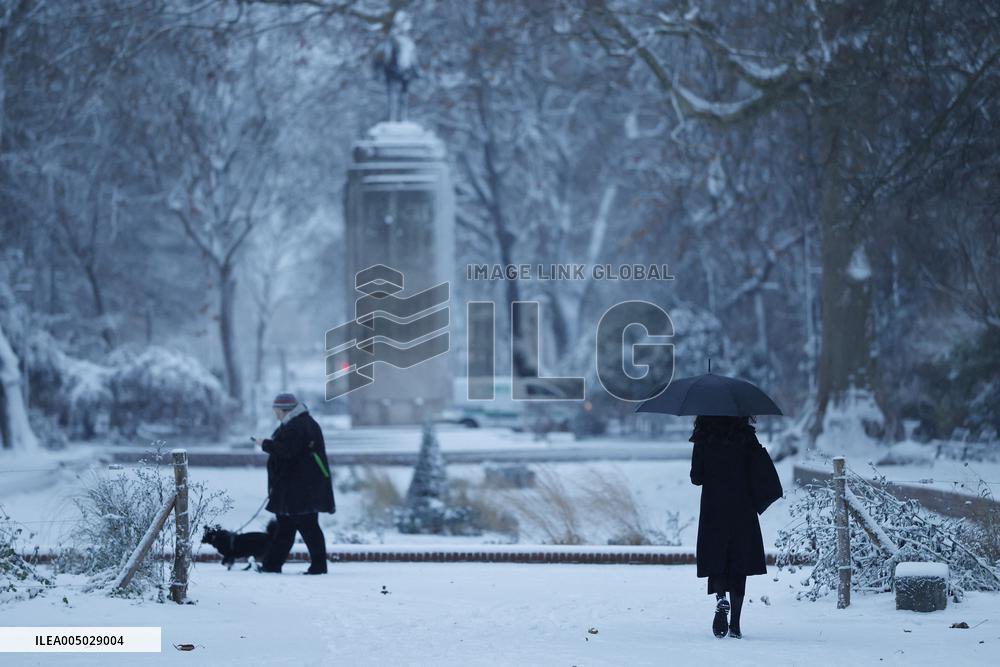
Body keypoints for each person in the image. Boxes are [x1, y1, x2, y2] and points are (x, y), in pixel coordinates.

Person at [689, 415, 767, 639]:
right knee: (739, 561)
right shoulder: (746, 437)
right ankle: (735, 624)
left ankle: (721, 598)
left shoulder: (704, 437)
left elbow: (696, 477)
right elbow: (756, 469)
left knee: (717, 556)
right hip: (742, 507)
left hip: (714, 507)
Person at [258, 393, 335, 574]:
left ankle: (318, 567)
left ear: (285, 410)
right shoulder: (301, 424)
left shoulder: (298, 426)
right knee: (286, 529)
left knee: (308, 528)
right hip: (296, 490)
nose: (276, 415)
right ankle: (272, 566)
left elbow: (286, 451)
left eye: (277, 411)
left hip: (299, 490)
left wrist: (265, 444)